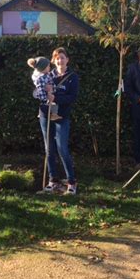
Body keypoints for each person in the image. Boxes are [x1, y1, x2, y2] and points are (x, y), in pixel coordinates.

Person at [39, 47, 79, 195]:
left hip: (62, 117)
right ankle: (53, 180)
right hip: (45, 114)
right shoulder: (48, 75)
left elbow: (72, 97)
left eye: (62, 57)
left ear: (67, 60)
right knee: (49, 149)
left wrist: (56, 98)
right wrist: (42, 91)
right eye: (57, 58)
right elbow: (37, 91)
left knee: (62, 149)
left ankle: (71, 182)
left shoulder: (72, 77)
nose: (60, 60)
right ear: (53, 60)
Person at [27, 56, 62, 121]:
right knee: (52, 104)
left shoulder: (46, 75)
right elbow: (40, 89)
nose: (49, 67)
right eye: (48, 66)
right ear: (43, 68)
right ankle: (52, 114)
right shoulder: (40, 78)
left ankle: (50, 114)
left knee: (53, 104)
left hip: (49, 92)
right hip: (47, 95)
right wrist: (46, 97)